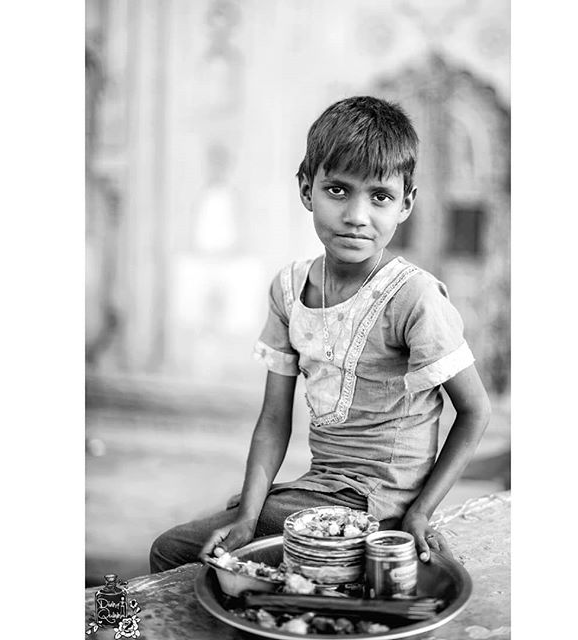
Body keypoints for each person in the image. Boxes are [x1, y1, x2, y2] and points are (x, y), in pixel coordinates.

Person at [149, 96, 491, 573]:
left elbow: (475, 411)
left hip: (378, 504)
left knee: (181, 552)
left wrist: (419, 513)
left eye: (380, 197)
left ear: (406, 204)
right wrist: (249, 515)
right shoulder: (289, 289)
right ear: (307, 190)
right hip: (318, 490)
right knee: (208, 538)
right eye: (337, 190)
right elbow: (273, 419)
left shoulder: (415, 297)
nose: (356, 215)